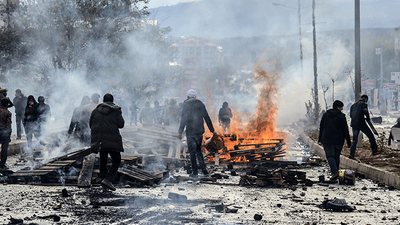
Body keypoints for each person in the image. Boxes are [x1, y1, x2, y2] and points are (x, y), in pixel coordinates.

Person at [90, 93, 124, 191]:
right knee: (116, 160)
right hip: (113, 140)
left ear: (103, 101)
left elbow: (91, 124)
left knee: (103, 161)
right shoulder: (116, 111)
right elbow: (121, 124)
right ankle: (108, 179)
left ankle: (104, 183)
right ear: (112, 101)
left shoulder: (95, 111)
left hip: (100, 141)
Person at [178, 89, 216, 177]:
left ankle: (194, 172)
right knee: (199, 151)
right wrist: (212, 130)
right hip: (199, 131)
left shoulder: (186, 105)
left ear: (187, 97)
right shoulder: (200, 104)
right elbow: (207, 117)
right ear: (195, 96)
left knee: (192, 152)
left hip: (190, 131)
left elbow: (183, 120)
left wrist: (180, 132)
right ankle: (204, 170)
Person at [318, 100, 351, 180]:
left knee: (330, 156)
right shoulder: (341, 116)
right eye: (341, 107)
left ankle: (335, 172)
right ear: (337, 107)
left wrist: (320, 139)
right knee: (336, 156)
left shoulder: (325, 115)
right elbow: (345, 129)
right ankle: (336, 172)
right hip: (339, 140)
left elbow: (321, 127)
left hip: (327, 139)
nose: (342, 109)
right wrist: (348, 141)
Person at [349, 94, 379, 159]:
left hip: (354, 124)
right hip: (361, 123)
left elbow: (351, 115)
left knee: (354, 140)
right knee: (371, 136)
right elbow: (365, 111)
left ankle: (351, 154)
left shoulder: (353, 105)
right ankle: (374, 151)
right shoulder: (364, 103)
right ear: (366, 99)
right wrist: (368, 118)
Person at [0, 98, 12, 169]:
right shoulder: (8, 112)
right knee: (4, 148)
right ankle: (2, 164)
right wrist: (9, 134)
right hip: (4, 132)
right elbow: (8, 125)